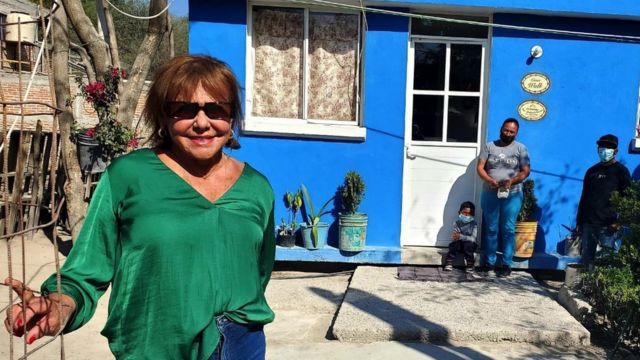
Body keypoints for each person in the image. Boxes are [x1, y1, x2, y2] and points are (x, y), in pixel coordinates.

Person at [3, 55, 276, 359]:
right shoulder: (128, 176)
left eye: (215, 109)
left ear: (231, 116)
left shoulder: (257, 188)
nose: (201, 122)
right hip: (155, 346)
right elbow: (87, 268)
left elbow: (259, 272)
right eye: (183, 109)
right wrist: (60, 305)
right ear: (164, 115)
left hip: (242, 345)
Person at [476, 118, 531, 278]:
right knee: (491, 228)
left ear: (516, 133)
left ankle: (506, 264)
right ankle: (489, 263)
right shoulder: (489, 146)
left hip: (512, 195)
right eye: (506, 130)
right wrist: (489, 180)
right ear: (501, 129)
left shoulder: (521, 148)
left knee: (508, 229)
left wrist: (511, 181)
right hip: (490, 192)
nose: (508, 133)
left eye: (511, 132)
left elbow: (526, 171)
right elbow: (480, 167)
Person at [576, 134, 631, 268]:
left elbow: (627, 199)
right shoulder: (591, 171)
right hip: (589, 224)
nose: (604, 149)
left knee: (606, 262)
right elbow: (584, 197)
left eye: (609, 147)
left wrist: (618, 222)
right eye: (602, 146)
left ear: (616, 151)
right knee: (587, 259)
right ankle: (585, 287)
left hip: (608, 226)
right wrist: (579, 222)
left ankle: (602, 289)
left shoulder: (621, 172)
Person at [443, 201, 478, 273]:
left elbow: (473, 238)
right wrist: (456, 237)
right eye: (464, 213)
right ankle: (449, 262)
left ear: (472, 214)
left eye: (469, 214)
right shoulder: (456, 223)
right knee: (454, 244)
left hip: (470, 245)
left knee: (468, 244)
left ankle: (470, 264)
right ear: (459, 212)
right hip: (459, 244)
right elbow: (456, 236)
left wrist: (461, 236)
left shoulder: (474, 224)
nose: (466, 215)